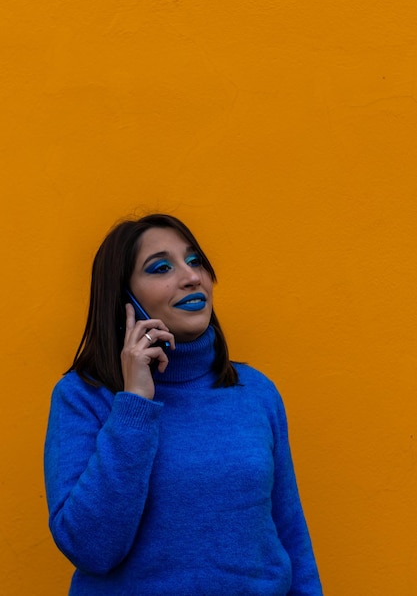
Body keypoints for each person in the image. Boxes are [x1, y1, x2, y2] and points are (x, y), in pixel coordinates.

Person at [44, 213, 323, 595]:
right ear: (124, 300)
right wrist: (135, 404)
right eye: (161, 267)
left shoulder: (255, 391)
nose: (191, 276)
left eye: (195, 261)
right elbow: (91, 548)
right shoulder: (83, 396)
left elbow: (290, 533)